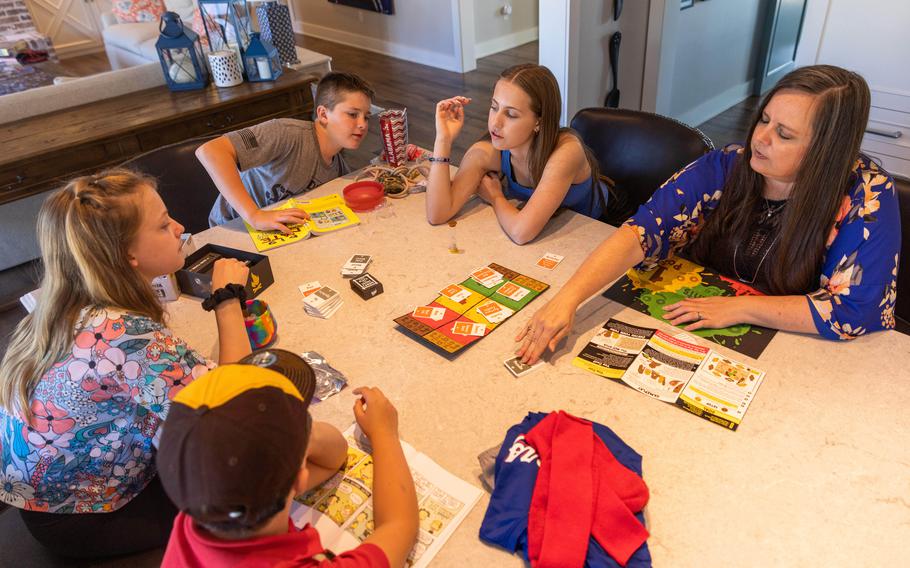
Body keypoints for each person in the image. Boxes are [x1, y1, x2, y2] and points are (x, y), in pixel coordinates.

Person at [516, 65, 901, 363]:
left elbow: (852, 309)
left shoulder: (868, 196)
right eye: (764, 120)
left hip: (789, 351)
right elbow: (640, 232)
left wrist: (743, 307)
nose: (760, 139)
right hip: (693, 326)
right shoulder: (728, 165)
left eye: (785, 135)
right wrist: (568, 300)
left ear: (827, 150)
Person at [0, 169, 252, 557]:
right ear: (126, 255)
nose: (180, 227)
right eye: (164, 224)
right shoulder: (123, 335)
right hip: (87, 519)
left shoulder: (63, 304)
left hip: (42, 500)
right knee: (254, 489)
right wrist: (227, 297)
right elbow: (227, 402)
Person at [157, 349, 419, 567]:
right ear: (300, 477)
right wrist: (384, 434)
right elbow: (400, 524)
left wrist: (287, 445)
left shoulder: (196, 511)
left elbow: (334, 457)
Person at [425, 63, 609, 244]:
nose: (495, 123)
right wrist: (443, 139)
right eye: (494, 107)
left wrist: (495, 197)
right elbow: (438, 213)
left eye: (511, 114)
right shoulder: (486, 152)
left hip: (599, 227)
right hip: (549, 235)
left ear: (539, 122)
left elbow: (521, 233)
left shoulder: (567, 152)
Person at [199, 71, 375, 232]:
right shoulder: (284, 133)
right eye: (353, 114)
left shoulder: (337, 166)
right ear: (323, 114)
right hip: (232, 227)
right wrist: (254, 215)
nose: (363, 124)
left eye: (366, 117)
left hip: (281, 231)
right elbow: (210, 151)